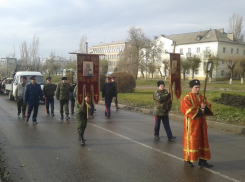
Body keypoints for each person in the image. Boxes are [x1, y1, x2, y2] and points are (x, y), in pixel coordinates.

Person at [181, 79, 213, 168]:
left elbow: (207, 106)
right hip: (192, 124)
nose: (198, 89)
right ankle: (188, 159)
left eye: (199, 87)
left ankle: (203, 161)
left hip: (201, 124)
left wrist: (205, 107)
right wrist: (201, 110)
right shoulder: (187, 98)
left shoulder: (202, 97)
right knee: (191, 141)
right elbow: (187, 110)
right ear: (191, 88)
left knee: (202, 141)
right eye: (196, 88)